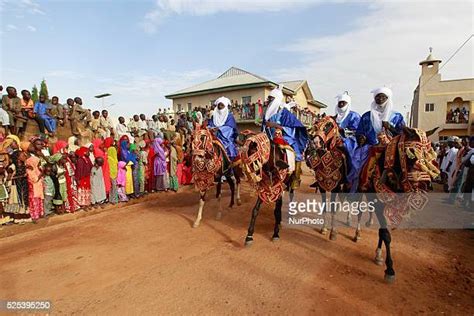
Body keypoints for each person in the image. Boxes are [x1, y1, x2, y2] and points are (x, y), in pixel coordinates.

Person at [262, 86, 309, 177]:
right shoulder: (267, 113)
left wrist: (276, 126)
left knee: (288, 149)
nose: (268, 100)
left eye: (271, 98)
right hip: (268, 136)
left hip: (284, 136)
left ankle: (289, 168)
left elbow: (292, 129)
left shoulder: (285, 113)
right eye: (269, 98)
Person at [206, 97, 239, 161]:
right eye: (219, 105)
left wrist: (219, 129)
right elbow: (210, 125)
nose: (220, 107)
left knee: (230, 150)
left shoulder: (229, 116)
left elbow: (230, 128)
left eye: (222, 105)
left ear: (225, 106)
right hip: (213, 137)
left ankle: (230, 166)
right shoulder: (214, 116)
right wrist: (210, 128)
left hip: (225, 138)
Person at [25, 155, 44, 222]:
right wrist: (41, 174)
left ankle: (39, 214)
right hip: (34, 189)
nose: (39, 163)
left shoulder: (36, 169)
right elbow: (35, 179)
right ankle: (34, 216)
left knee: (39, 201)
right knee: (34, 202)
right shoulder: (29, 171)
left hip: (38, 188)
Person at [104, 137, 119, 204]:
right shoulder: (112, 149)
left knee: (111, 185)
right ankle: (114, 199)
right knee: (114, 185)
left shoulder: (106, 151)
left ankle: (111, 198)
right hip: (113, 169)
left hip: (108, 170)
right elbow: (115, 159)